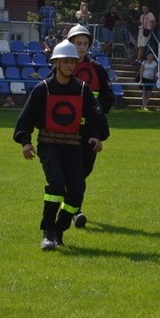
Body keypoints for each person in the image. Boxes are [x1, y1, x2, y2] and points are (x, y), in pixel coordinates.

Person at [13, 40, 108, 251]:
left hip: (73, 147)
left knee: (77, 190)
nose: (69, 66)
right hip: (49, 145)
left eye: (72, 62)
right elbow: (25, 119)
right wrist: (25, 142)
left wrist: (95, 136)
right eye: (65, 61)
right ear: (56, 63)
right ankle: (47, 232)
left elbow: (95, 118)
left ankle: (59, 229)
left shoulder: (83, 90)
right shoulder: (43, 89)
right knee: (55, 186)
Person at [66, 24, 114, 228]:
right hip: (67, 129)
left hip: (90, 129)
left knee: (84, 170)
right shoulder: (62, 66)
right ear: (71, 44)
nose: (82, 47)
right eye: (78, 43)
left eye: (85, 43)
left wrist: (94, 112)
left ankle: (69, 205)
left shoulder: (98, 69)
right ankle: (75, 210)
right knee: (72, 171)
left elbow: (108, 98)